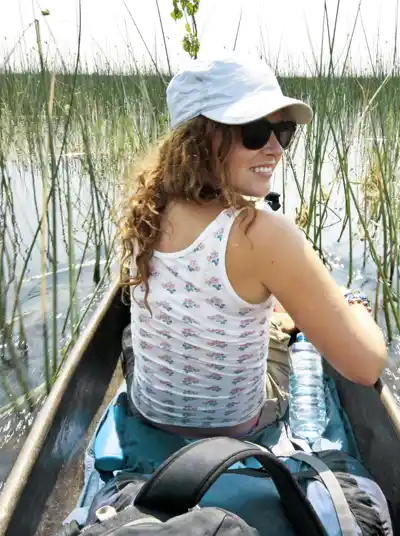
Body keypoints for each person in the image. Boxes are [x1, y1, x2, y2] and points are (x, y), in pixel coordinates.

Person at [117, 52, 386, 439]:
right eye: (256, 132)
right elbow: (366, 365)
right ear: (199, 138)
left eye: (284, 133)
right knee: (282, 336)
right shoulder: (263, 232)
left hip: (150, 414)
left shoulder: (148, 208)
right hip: (238, 427)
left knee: (129, 335)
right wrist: (355, 303)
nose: (276, 149)